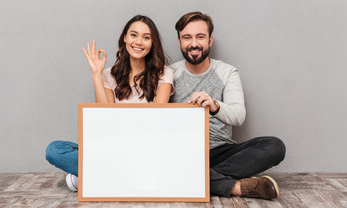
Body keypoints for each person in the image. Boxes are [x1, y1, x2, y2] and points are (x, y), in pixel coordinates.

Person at [45, 15, 173, 191]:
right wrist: (96, 74)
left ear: (152, 43)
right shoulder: (108, 75)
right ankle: (114, 176)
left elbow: (157, 116)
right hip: (112, 148)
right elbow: (104, 117)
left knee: (151, 159)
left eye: (146, 37)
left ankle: (94, 176)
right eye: (134, 35)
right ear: (125, 38)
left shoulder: (164, 73)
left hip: (145, 149)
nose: (139, 42)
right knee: (55, 150)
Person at [170, 11, 286, 200]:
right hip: (184, 152)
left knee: (275, 146)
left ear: (210, 40)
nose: (193, 43)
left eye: (200, 37)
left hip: (221, 151)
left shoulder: (227, 72)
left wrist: (214, 105)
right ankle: (235, 187)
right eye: (187, 37)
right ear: (179, 42)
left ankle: (197, 177)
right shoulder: (170, 73)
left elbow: (238, 116)